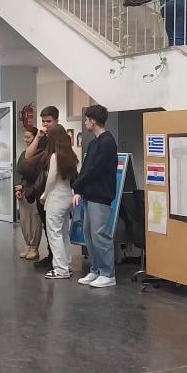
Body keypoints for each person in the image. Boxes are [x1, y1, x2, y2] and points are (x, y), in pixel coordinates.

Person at [72, 105, 119, 288]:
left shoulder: (107, 142)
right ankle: (96, 269)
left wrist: (77, 185)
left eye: (86, 119)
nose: (85, 122)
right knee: (89, 234)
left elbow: (95, 170)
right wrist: (79, 189)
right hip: (89, 195)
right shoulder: (93, 143)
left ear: (93, 121)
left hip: (100, 195)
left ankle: (108, 273)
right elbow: (86, 168)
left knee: (100, 234)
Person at [25, 106, 61, 270]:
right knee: (47, 225)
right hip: (40, 187)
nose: (45, 125)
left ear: (56, 121)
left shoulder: (60, 138)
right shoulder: (42, 138)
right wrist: (38, 137)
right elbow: (28, 155)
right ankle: (51, 255)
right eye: (43, 121)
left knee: (55, 228)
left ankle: (57, 259)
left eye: (49, 121)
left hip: (54, 189)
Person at [41, 125, 78, 279]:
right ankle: (66, 265)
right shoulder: (71, 155)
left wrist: (45, 195)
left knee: (54, 234)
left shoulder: (54, 157)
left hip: (56, 198)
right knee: (64, 233)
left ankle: (60, 269)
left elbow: (51, 180)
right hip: (67, 196)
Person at [15, 126, 44, 260]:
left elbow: (38, 175)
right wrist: (18, 188)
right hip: (23, 192)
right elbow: (18, 172)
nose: (26, 140)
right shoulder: (23, 154)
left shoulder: (40, 154)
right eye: (25, 137)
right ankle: (28, 245)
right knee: (25, 221)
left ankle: (34, 247)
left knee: (35, 220)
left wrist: (25, 186)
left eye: (28, 137)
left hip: (33, 191)